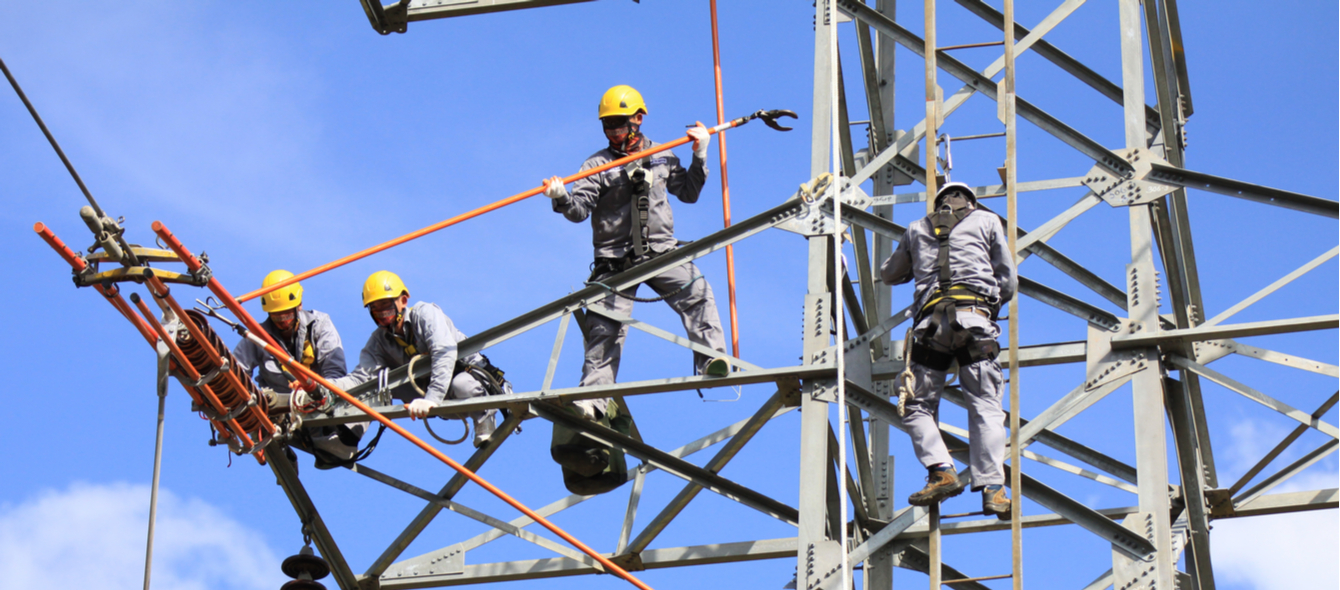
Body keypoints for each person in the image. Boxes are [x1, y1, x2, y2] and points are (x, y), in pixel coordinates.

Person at [540, 84, 730, 424]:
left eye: (619, 122)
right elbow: (579, 210)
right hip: (615, 259)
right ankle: (592, 398)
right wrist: (562, 197)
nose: (613, 130)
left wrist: (700, 154)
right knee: (604, 329)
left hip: (660, 251)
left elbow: (688, 193)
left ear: (638, 119)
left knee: (697, 294)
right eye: (607, 125)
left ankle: (711, 358)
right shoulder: (596, 165)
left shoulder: (663, 155)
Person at [879, 182, 1018, 518]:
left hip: (932, 326)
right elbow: (1008, 281)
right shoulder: (987, 221)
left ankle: (941, 469)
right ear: (969, 202)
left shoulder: (917, 228)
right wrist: (989, 301)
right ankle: (993, 489)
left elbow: (889, 274)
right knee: (985, 405)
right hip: (974, 322)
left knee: (915, 405)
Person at [331, 271, 497, 448]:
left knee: (461, 384)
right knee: (377, 387)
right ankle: (344, 441)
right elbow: (359, 379)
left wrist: (432, 398)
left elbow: (443, 352)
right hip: (437, 396)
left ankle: (485, 420)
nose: (381, 311)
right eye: (374, 307)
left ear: (403, 300)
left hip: (469, 382)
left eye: (385, 303)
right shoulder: (379, 341)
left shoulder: (425, 314)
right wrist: (319, 387)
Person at [232, 270, 356, 466]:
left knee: (356, 392)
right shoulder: (257, 336)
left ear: (299, 305)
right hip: (280, 414)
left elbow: (335, 370)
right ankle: (281, 448)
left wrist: (315, 390)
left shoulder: (320, 324)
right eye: (276, 314)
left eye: (286, 313)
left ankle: (331, 443)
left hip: (319, 406)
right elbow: (235, 373)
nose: (282, 319)